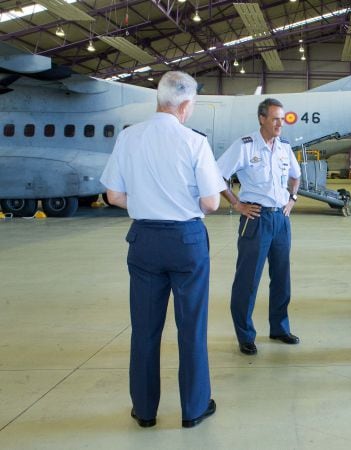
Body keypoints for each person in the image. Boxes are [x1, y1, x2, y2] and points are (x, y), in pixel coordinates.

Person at [100, 71, 222, 428]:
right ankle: (194, 409)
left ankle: (145, 410)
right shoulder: (194, 142)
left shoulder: (129, 137)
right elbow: (212, 202)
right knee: (191, 328)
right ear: (185, 106)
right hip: (186, 241)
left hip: (144, 242)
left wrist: (148, 202)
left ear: (159, 99)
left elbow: (114, 196)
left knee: (145, 329)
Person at [217, 98, 302, 355]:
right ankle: (245, 334)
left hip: (280, 220)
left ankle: (279, 328)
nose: (280, 124)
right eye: (275, 118)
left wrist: (292, 199)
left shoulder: (284, 147)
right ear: (262, 119)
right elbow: (217, 174)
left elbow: (295, 176)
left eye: (282, 118)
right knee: (248, 280)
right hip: (255, 219)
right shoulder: (245, 146)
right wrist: (236, 204)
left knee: (281, 278)